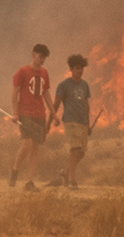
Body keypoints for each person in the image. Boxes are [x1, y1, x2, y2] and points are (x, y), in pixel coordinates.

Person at [9, 43, 54, 191]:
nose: (42, 60)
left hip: (39, 114)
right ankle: (15, 169)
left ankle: (30, 182)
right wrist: (15, 113)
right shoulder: (22, 72)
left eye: (44, 58)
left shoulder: (45, 73)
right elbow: (15, 93)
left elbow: (46, 93)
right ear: (33, 54)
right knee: (27, 144)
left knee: (35, 149)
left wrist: (53, 112)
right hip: (25, 113)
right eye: (40, 56)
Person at [53, 55, 92, 189]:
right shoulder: (64, 85)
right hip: (70, 121)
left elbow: (87, 105)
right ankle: (71, 180)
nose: (80, 71)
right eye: (77, 68)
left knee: (81, 152)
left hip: (83, 122)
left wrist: (88, 124)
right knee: (75, 149)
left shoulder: (85, 85)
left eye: (81, 68)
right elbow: (56, 104)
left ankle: (65, 172)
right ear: (71, 69)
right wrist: (53, 119)